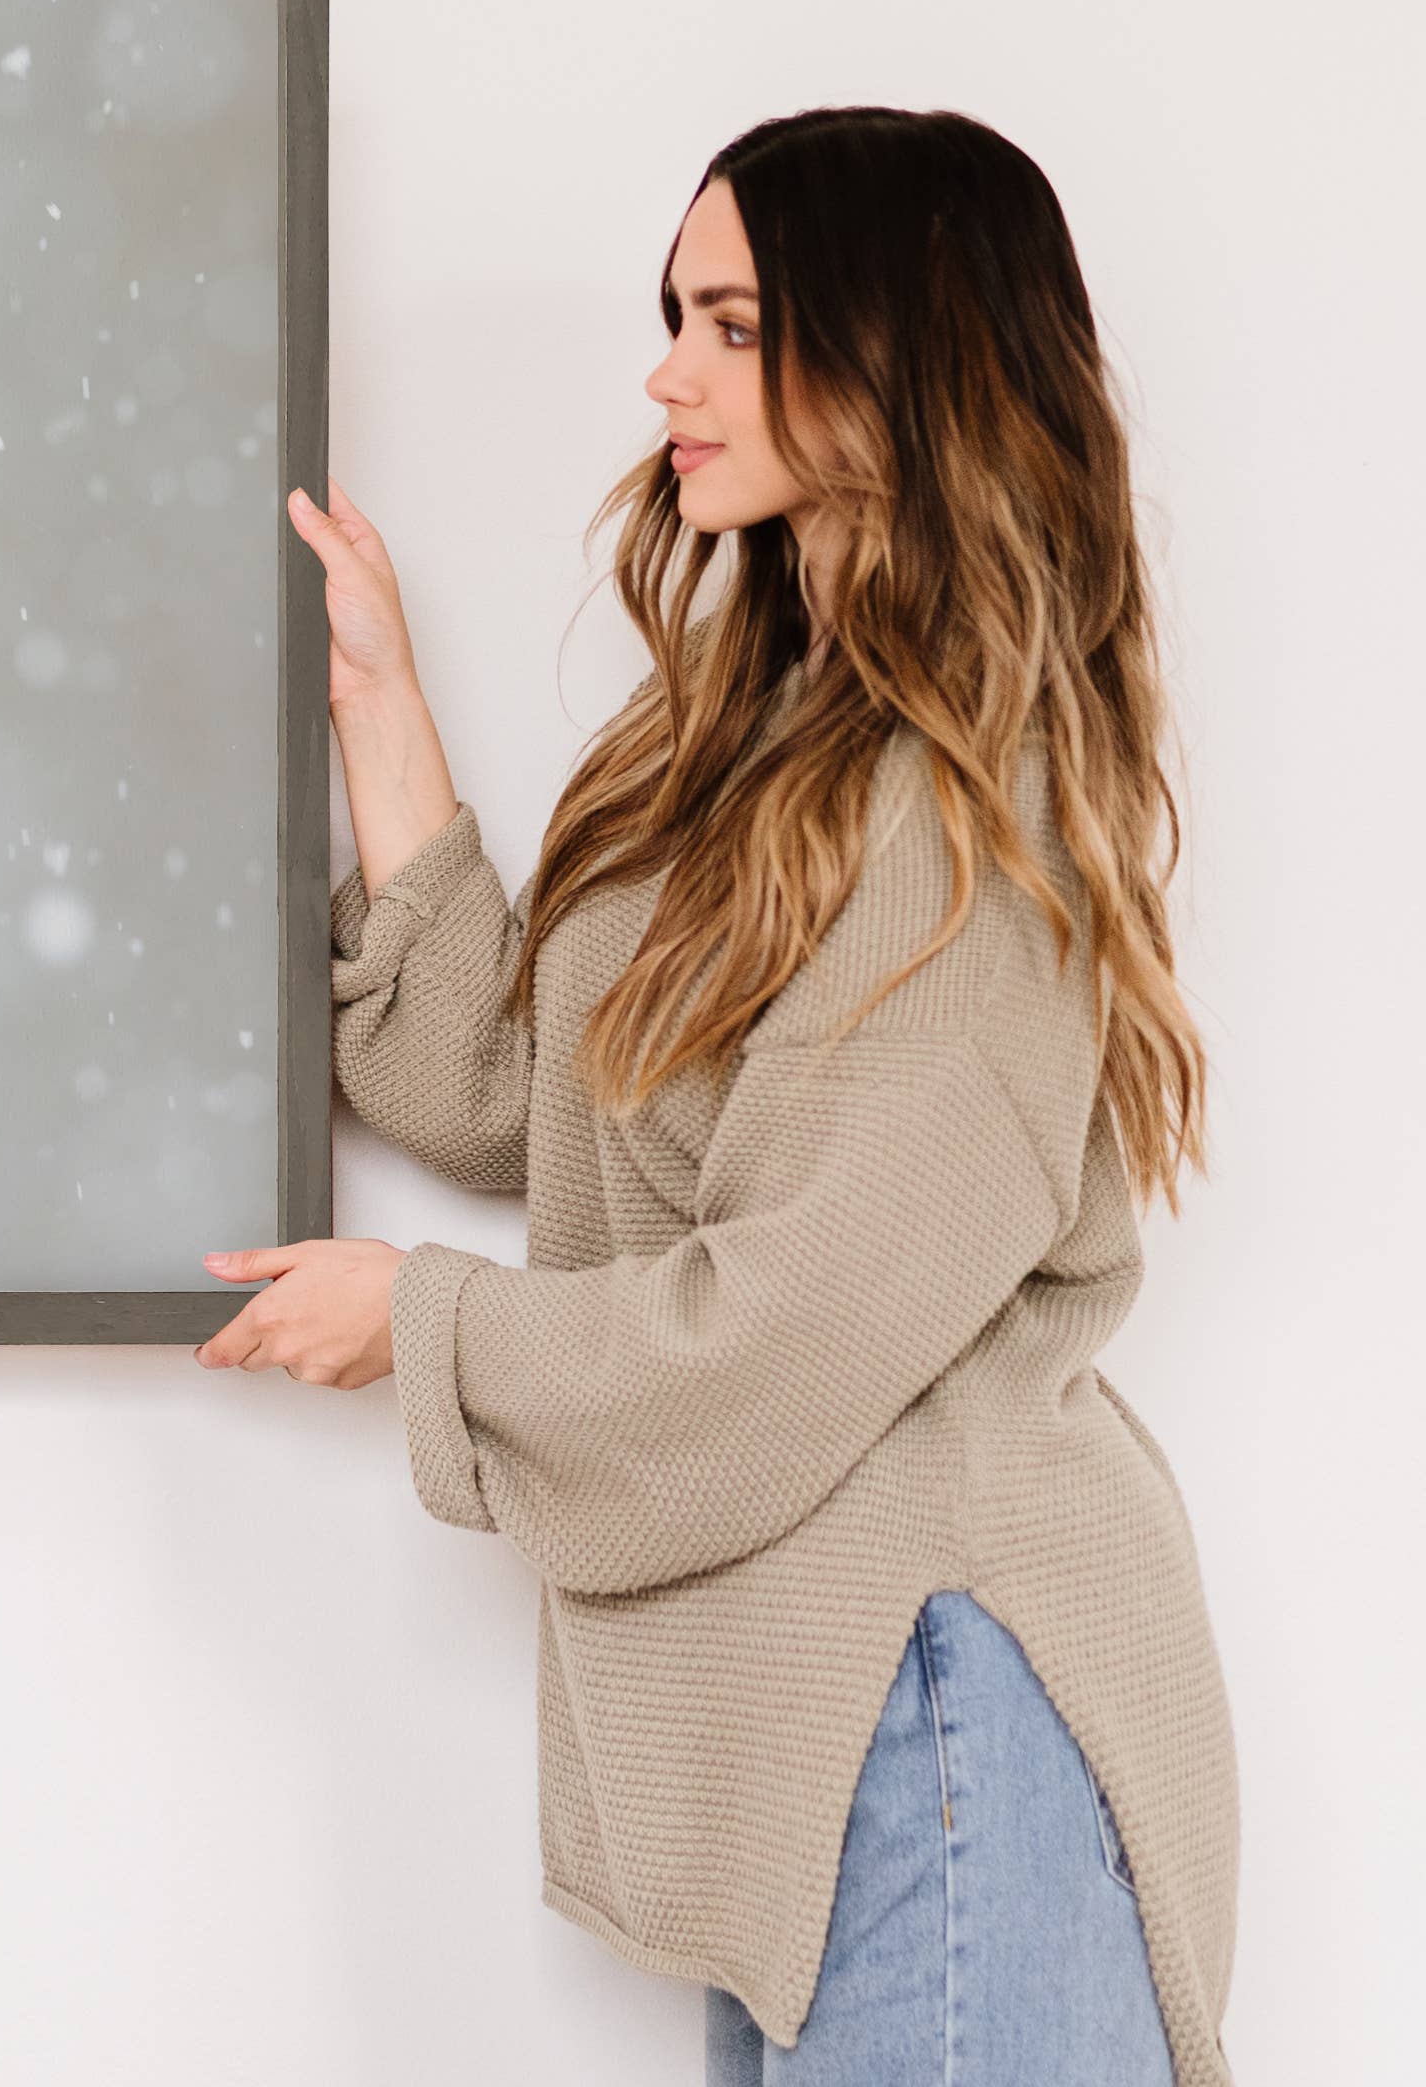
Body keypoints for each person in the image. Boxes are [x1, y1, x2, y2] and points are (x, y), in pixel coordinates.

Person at [196, 109, 1235, 2086]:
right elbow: (540, 1097)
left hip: (942, 1721)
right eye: (677, 313)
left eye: (736, 324)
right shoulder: (760, 758)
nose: (668, 371)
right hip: (834, 1741)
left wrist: (417, 1322)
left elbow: (784, 1333)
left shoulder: (960, 829)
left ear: (898, 353)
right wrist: (380, 710)